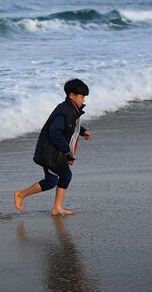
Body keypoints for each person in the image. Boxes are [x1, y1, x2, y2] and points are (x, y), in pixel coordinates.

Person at [14, 79, 93, 216]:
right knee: (57, 178)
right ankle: (21, 194)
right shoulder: (64, 110)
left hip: (53, 151)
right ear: (72, 96)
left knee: (60, 177)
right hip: (49, 152)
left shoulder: (71, 109)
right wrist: (66, 150)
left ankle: (56, 207)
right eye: (81, 97)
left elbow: (69, 126)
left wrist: (82, 131)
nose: (83, 100)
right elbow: (55, 132)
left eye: (84, 97)